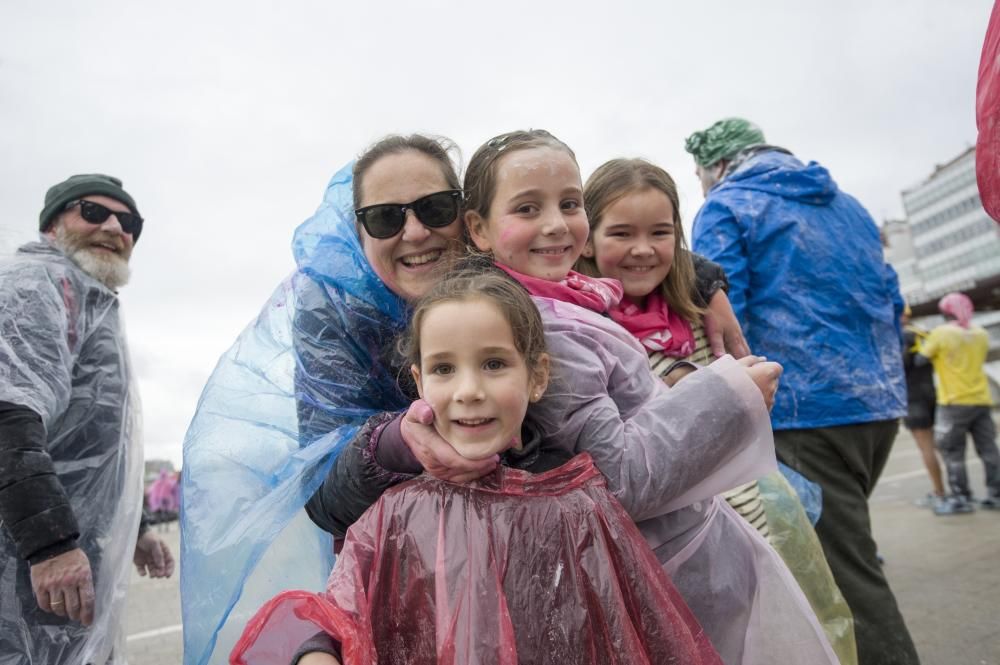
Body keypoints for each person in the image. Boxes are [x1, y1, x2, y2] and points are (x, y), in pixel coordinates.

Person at [180, 134, 750, 664]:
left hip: (539, 549)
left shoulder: (511, 278)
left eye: (433, 208)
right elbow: (329, 508)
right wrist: (398, 442)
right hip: (420, 568)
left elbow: (615, 233)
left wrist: (703, 283)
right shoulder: (336, 316)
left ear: (469, 219)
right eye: (384, 217)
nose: (415, 232)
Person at [232, 266, 725, 665]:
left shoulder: (579, 499)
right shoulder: (394, 512)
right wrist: (318, 652)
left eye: (493, 364)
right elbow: (343, 607)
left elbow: (626, 622)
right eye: (446, 369)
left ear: (536, 376)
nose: (469, 390)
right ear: (420, 382)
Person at [577, 156, 858, 665]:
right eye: (621, 233)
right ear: (586, 238)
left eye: (660, 232)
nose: (643, 249)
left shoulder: (694, 309)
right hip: (659, 551)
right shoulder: (584, 333)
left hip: (743, 521)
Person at [685, 117, 919, 665]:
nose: (702, 188)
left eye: (700, 176)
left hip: (801, 415)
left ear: (717, 165)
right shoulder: (851, 206)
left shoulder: (727, 206)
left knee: (843, 578)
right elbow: (890, 297)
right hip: (878, 406)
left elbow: (722, 320)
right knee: (847, 550)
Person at [0, 174, 174, 664]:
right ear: (53, 225)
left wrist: (131, 527)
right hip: (25, 560)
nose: (115, 227)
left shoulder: (91, 301)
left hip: (66, 559)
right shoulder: (37, 285)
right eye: (93, 212)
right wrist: (49, 545)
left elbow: (96, 445)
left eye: (129, 221)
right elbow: (9, 415)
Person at [918, 292, 1000, 513]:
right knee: (989, 450)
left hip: (953, 402)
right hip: (982, 399)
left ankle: (961, 498)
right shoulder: (981, 334)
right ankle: (996, 494)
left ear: (944, 312)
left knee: (952, 452)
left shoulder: (940, 333)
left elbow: (920, 359)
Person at [900, 305, 948, 511]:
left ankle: (939, 492)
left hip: (913, 398)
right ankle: (954, 487)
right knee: (939, 446)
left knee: (926, 448)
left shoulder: (901, 336)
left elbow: (900, 366)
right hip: (932, 392)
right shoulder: (923, 333)